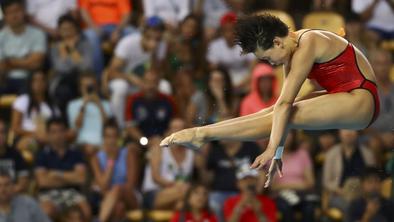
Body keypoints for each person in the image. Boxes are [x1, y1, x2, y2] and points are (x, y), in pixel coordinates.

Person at [160, 14, 381, 187]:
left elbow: (286, 108)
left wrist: (271, 147)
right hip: (347, 94)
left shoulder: (309, 42)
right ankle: (203, 133)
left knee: (285, 111)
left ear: (277, 42)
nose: (270, 64)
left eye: (266, 57)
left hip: (362, 98)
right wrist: (277, 152)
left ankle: (202, 133)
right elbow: (280, 109)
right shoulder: (290, 50)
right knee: (272, 111)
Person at [105, 16, 168, 126]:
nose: (154, 35)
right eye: (152, 31)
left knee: (165, 86)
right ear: (144, 32)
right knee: (120, 88)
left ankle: (160, 126)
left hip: (145, 82)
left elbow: (157, 72)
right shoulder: (128, 43)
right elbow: (111, 72)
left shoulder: (161, 45)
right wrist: (131, 78)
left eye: (158, 32)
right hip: (126, 80)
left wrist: (153, 53)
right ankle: (120, 127)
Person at [35, 118, 90, 220]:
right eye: (54, 132)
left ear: (66, 132)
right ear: (48, 134)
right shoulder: (42, 155)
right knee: (46, 211)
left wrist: (56, 174)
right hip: (48, 194)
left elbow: (81, 178)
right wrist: (70, 177)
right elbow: (43, 182)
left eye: (61, 131)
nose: (58, 135)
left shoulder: (76, 153)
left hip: (73, 193)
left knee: (85, 211)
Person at [91, 119, 139, 222]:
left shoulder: (128, 154)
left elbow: (131, 185)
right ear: (103, 139)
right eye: (108, 137)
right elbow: (102, 186)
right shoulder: (96, 158)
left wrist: (115, 193)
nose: (111, 141)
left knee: (117, 189)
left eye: (114, 137)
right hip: (108, 199)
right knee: (118, 207)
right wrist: (111, 162)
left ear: (119, 139)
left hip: (130, 197)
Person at [142, 118, 194, 210]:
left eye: (181, 129)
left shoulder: (191, 154)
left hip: (178, 195)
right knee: (188, 192)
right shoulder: (159, 148)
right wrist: (176, 185)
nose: (177, 132)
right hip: (153, 192)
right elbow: (156, 178)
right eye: (174, 128)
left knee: (180, 205)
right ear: (169, 131)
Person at [11, 70, 60, 161]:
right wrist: (35, 135)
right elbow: (15, 127)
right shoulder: (22, 100)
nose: (39, 83)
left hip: (48, 139)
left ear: (46, 84)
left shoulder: (53, 106)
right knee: (30, 144)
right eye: (35, 80)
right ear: (30, 83)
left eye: (42, 80)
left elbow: (57, 126)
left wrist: (47, 137)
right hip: (28, 137)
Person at [322, 130, 376, 213]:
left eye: (352, 129)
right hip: (339, 194)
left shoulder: (368, 154)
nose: (349, 133)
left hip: (362, 195)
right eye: (345, 129)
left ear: (358, 132)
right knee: (350, 206)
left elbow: (373, 178)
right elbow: (326, 182)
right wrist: (341, 191)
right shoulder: (331, 154)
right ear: (339, 133)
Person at [0, 0, 46, 94]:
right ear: (5, 16)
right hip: (5, 79)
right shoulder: (1, 37)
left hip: (30, 79)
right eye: (10, 12)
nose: (14, 15)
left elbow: (36, 64)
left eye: (17, 11)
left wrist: (10, 61)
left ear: (24, 11)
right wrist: (26, 60)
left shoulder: (38, 34)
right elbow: (1, 66)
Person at [50, 14, 93, 112]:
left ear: (76, 30)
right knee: (64, 91)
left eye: (70, 29)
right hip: (62, 82)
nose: (67, 33)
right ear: (59, 31)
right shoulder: (55, 48)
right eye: (64, 30)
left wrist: (72, 49)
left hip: (82, 79)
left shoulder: (85, 45)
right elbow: (61, 68)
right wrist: (67, 54)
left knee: (87, 86)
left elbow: (86, 67)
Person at [271, 130, 317, 222]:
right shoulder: (273, 156)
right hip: (281, 196)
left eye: (288, 134)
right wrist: (298, 185)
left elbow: (311, 183)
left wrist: (284, 186)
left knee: (309, 209)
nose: (285, 137)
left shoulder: (302, 154)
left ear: (293, 136)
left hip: (302, 194)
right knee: (286, 208)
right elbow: (272, 186)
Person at [79, 0, 134, 76]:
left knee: (133, 33)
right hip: (94, 27)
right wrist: (94, 28)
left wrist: (118, 30)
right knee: (90, 36)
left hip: (117, 26)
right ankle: (98, 76)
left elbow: (126, 14)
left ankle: (132, 73)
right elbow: (83, 12)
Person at [67, 72, 112, 157]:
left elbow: (108, 126)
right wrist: (84, 105)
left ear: (97, 87)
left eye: (92, 86)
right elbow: (76, 126)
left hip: (103, 144)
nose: (89, 89)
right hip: (83, 144)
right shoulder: (72, 105)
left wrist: (99, 105)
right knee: (89, 149)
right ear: (80, 88)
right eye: (86, 86)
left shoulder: (106, 105)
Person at [0, 118, 29, 193]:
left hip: (12, 196)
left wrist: (8, 192)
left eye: (2, 132)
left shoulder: (15, 154)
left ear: (7, 134)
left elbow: (23, 182)